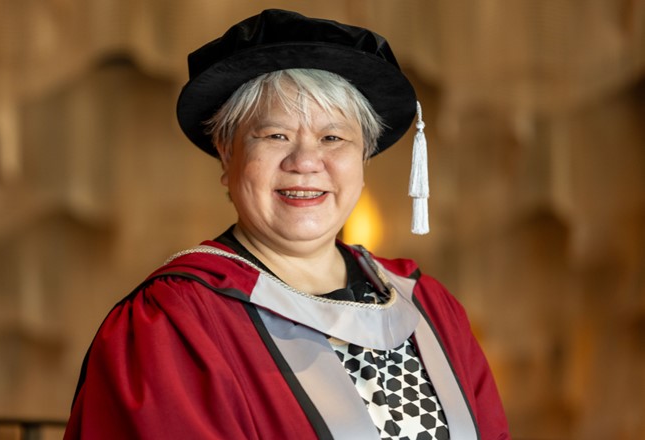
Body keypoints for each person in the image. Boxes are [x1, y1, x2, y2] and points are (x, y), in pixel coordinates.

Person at [64, 9, 510, 440]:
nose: (305, 162)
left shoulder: (427, 307)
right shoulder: (175, 325)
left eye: (333, 138)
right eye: (275, 136)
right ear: (227, 155)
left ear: (362, 158)